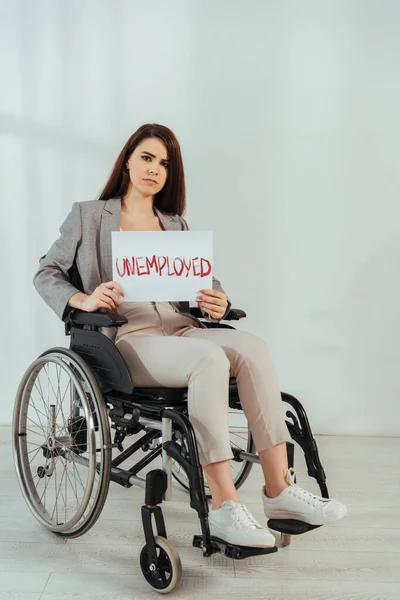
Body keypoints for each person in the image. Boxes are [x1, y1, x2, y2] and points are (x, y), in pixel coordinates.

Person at [33, 123, 347, 549]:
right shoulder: (89, 215)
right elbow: (46, 272)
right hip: (127, 337)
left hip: (181, 328)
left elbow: (205, 286)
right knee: (208, 360)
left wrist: (214, 300)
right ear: (128, 159)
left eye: (164, 164)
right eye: (146, 157)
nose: (154, 169)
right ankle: (222, 506)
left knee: (252, 347)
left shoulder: (175, 224)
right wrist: (84, 300)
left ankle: (279, 490)